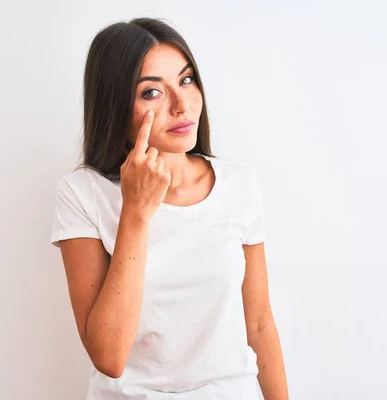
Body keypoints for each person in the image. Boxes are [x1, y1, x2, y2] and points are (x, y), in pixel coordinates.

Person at [51, 17, 288, 400]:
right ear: (115, 105)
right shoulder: (82, 194)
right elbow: (108, 357)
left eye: (186, 80)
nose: (181, 104)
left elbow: (259, 324)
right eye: (151, 93)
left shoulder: (239, 183)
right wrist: (136, 213)